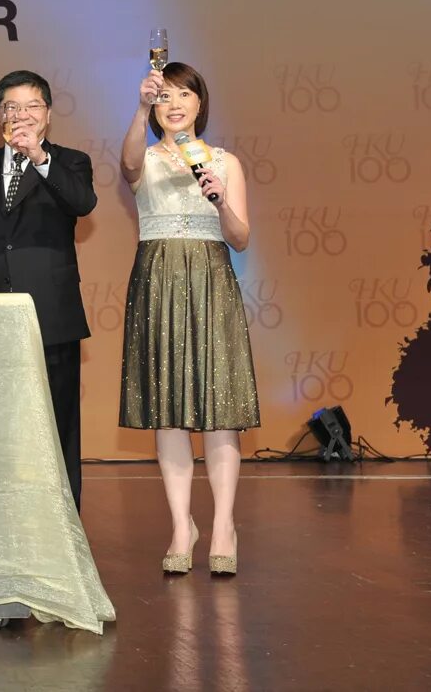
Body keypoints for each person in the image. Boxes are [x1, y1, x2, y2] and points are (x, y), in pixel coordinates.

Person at [118, 62, 258, 576]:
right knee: (169, 406)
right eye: (164, 97)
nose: (174, 104)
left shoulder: (225, 161)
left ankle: (223, 525)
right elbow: (127, 164)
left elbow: (241, 237)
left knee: (219, 403)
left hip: (210, 279)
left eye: (184, 94)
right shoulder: (147, 156)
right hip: (158, 279)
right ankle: (182, 525)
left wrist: (220, 199)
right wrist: (137, 106)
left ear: (201, 102)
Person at [0, 70, 96, 510]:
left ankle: (65, 519)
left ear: (47, 115)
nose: (21, 115)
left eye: (31, 107)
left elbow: (83, 203)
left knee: (59, 422)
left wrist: (39, 156)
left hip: (51, 313)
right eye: (11, 107)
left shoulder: (70, 161)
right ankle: (4, 513)